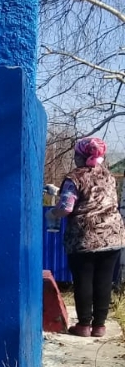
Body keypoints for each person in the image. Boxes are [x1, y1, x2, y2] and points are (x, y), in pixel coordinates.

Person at [46, 137, 125, 337]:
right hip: (113, 236)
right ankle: (99, 326)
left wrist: (51, 214)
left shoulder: (75, 177)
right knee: (104, 281)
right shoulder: (109, 176)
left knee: (84, 280)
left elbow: (66, 207)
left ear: (79, 156)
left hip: (85, 237)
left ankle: (83, 325)